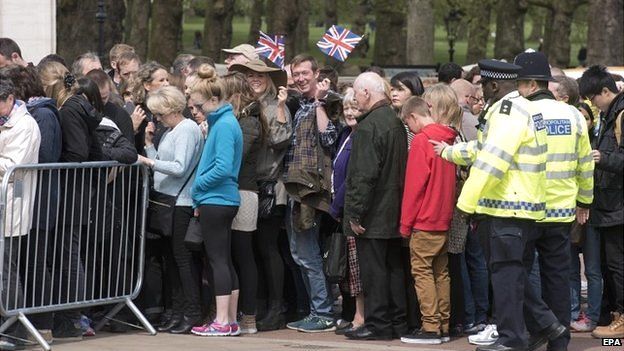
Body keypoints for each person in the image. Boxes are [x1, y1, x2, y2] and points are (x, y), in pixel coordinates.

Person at [433, 59, 551, 351]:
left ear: (494, 85)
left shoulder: (507, 113)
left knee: (506, 277)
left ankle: (514, 339)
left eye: (483, 85)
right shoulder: (518, 109)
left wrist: (464, 204)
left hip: (507, 206)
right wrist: (449, 152)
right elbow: (483, 149)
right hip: (520, 206)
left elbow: (491, 162)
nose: (481, 91)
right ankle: (544, 325)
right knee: (513, 275)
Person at [514, 51, 594, 351]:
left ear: (531, 84)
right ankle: (559, 340)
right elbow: (585, 164)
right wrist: (584, 201)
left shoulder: (523, 113)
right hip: (562, 212)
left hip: (527, 208)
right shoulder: (573, 114)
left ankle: (541, 326)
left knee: (518, 273)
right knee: (558, 278)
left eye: (519, 83)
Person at [343, 72, 408, 340]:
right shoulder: (394, 121)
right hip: (394, 208)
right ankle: (397, 322)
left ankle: (380, 324)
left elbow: (363, 175)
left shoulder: (369, 126)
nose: (356, 99)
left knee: (375, 271)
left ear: (367, 93)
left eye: (357, 93)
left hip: (374, 212)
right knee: (393, 268)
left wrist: (355, 213)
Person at [229, 59, 292, 331]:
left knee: (268, 247)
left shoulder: (275, 106)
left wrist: (278, 108)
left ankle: (277, 307)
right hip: (251, 184)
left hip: (269, 184)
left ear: (269, 79)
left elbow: (280, 140)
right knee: (252, 249)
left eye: (260, 75)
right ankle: (261, 304)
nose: (254, 79)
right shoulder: (245, 106)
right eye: (250, 75)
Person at [137, 86, 204, 334]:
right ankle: (178, 311)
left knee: (183, 261)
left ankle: (192, 312)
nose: (157, 118)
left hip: (181, 202)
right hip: (169, 200)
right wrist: (149, 145)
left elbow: (179, 166)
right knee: (173, 262)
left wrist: (148, 160)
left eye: (159, 114)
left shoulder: (186, 129)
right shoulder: (173, 129)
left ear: (170, 110)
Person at [282, 54, 337, 333]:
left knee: (309, 253)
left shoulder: (328, 101)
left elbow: (329, 138)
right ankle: (316, 310)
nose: (301, 78)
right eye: (297, 74)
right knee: (298, 253)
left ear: (316, 73)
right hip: (294, 188)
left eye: (306, 73)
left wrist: (321, 104)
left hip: (312, 191)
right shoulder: (299, 103)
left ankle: (324, 313)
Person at [398, 95, 459, 345]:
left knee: (422, 272)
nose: (409, 129)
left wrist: (405, 223)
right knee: (441, 273)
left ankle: (431, 325)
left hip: (424, 219)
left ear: (413, 116)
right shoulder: (446, 138)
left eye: (408, 123)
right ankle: (442, 323)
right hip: (443, 217)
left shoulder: (423, 141)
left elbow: (414, 187)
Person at [189, 64, 243, 337]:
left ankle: (223, 320)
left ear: (213, 100)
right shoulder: (224, 122)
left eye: (199, 105)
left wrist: (198, 186)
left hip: (217, 198)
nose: (196, 110)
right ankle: (229, 319)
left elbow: (222, 168)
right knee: (224, 260)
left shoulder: (223, 125)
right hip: (223, 198)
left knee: (218, 260)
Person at [578, 65, 624, 339]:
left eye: (594, 98)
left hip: (617, 205)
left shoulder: (620, 115)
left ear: (605, 91)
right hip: (610, 205)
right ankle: (617, 315)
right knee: (611, 265)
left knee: (618, 265)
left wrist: (603, 159)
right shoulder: (612, 114)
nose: (593, 105)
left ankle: (620, 320)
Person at [221, 72, 266, 334]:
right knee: (228, 255)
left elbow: (237, 155)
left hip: (243, 191)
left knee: (243, 254)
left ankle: (249, 315)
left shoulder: (249, 121)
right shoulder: (238, 120)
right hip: (233, 190)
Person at [328, 88, 365, 336]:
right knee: (346, 269)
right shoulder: (344, 134)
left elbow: (352, 178)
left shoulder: (361, 136)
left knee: (357, 268)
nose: (350, 112)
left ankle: (360, 316)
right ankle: (352, 313)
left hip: (349, 208)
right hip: (340, 209)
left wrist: (336, 205)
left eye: (355, 107)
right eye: (346, 108)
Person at [569, 100, 601, 333]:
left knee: (592, 269)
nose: (582, 122)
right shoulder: (566, 146)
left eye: (586, 118)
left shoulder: (599, 146)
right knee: (569, 267)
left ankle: (593, 315)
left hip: (592, 214)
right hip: (569, 213)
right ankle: (571, 311)